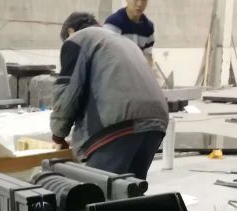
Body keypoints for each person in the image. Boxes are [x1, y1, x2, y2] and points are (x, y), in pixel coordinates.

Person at [50, 12, 168, 180]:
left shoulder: (77, 39)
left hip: (118, 124)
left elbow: (68, 92)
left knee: (99, 192)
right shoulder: (125, 42)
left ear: (70, 31)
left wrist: (58, 135)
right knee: (130, 191)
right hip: (156, 122)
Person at [104, 0, 155, 67]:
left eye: (144, 0)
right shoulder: (113, 23)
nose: (139, 4)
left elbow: (147, 55)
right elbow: (107, 56)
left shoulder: (148, 27)